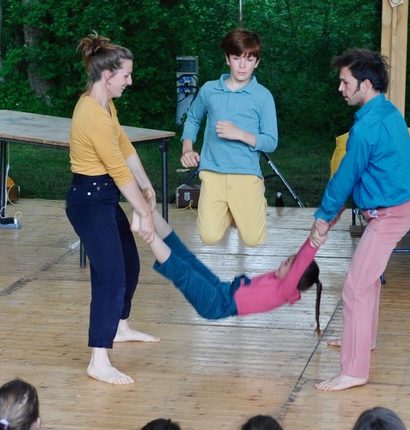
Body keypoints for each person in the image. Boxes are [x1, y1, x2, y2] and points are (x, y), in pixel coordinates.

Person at [312, 48, 410, 391]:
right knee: (367, 281)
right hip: (392, 212)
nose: (340, 88)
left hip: (389, 217)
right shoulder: (387, 112)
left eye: (345, 82)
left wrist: (323, 217)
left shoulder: (368, 127)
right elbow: (364, 174)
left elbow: (345, 176)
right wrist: (332, 214)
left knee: (356, 286)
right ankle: (363, 341)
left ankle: (355, 370)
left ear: (366, 84)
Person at [65, 32, 159, 386]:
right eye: (126, 75)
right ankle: (99, 359)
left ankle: (119, 327)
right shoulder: (91, 114)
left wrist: (147, 185)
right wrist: (144, 213)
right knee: (110, 275)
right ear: (107, 76)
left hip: (103, 198)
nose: (129, 82)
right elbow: (118, 172)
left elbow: (124, 146)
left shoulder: (105, 105)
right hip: (88, 202)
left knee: (129, 265)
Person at [131, 206, 325, 323]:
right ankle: (148, 210)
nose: (284, 261)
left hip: (217, 304)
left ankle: (145, 232)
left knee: (183, 272)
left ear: (294, 276)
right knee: (187, 259)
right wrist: (319, 229)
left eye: (288, 263)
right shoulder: (280, 281)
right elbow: (300, 259)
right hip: (221, 288)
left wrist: (314, 242)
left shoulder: (285, 290)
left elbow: (303, 260)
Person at [180, 27, 278, 247]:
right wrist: (187, 148)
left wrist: (239, 134)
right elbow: (193, 119)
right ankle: (231, 209)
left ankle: (251, 203)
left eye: (249, 59)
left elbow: (271, 142)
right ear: (227, 59)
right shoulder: (209, 90)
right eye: (237, 58)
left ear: (257, 63)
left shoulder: (263, 96)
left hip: (246, 174)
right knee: (209, 236)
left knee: (253, 240)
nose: (242, 65)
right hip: (212, 172)